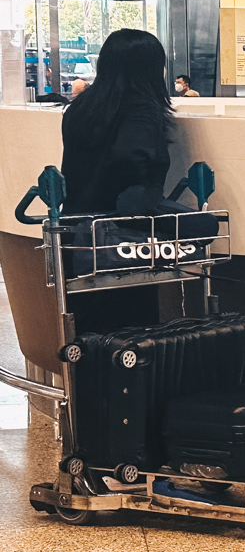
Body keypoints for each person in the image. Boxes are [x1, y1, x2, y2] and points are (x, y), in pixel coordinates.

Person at [60, 29, 175, 334]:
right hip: (121, 237)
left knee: (89, 330)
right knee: (131, 332)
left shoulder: (80, 107)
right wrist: (143, 196)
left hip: (76, 230)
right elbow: (130, 157)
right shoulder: (142, 108)